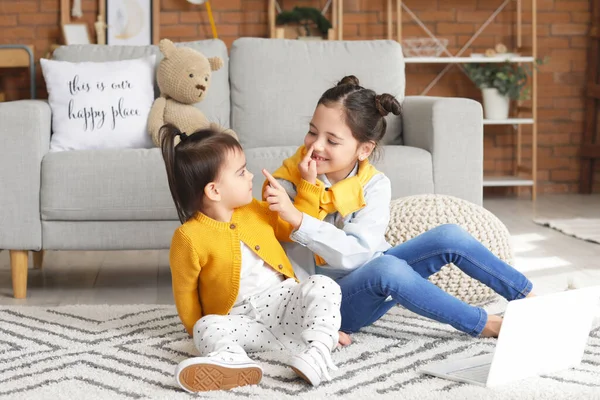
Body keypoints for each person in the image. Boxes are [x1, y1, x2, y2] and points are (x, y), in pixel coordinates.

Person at [265, 75, 535, 339]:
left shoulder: (374, 185)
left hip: (370, 277)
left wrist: (301, 219)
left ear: (364, 150)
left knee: (448, 236)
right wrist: (304, 198)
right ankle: (484, 323)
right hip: (324, 304)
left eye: (332, 141)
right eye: (312, 132)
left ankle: (528, 297)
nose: (316, 146)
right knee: (386, 268)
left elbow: (358, 254)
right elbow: (279, 240)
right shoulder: (288, 178)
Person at [160, 124, 343, 393]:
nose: (250, 176)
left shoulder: (254, 210)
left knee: (323, 286)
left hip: (284, 303)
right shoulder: (188, 237)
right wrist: (201, 334)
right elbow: (185, 295)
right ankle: (231, 359)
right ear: (214, 191)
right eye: (241, 172)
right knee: (203, 326)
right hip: (242, 322)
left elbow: (293, 231)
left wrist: (304, 191)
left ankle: (317, 349)